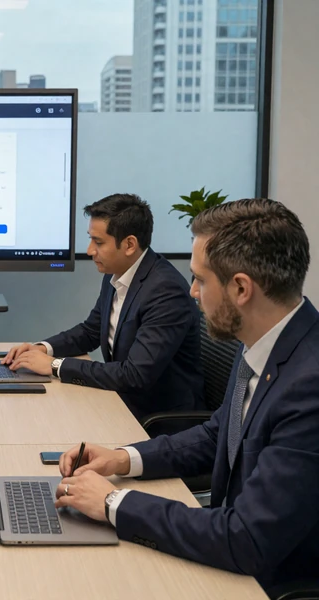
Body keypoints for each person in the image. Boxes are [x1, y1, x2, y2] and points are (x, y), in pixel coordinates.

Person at [53, 199, 319, 592]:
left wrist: (114, 504)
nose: (191, 292)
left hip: (265, 581)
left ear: (241, 288)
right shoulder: (267, 346)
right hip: (232, 549)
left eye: (200, 279)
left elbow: (245, 538)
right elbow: (218, 434)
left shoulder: (308, 387)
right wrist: (123, 458)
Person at [2, 193, 203, 420]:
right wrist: (42, 348)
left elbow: (135, 375)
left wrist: (54, 365)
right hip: (120, 401)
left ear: (129, 245)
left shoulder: (165, 291)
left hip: (155, 420)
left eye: (98, 242)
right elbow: (90, 331)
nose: (89, 251)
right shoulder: (116, 274)